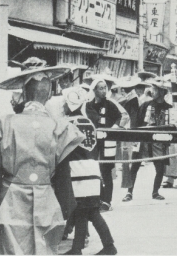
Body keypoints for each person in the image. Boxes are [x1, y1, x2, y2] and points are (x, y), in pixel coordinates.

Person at [0, 63, 85, 254]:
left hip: (11, 199)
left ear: (23, 93)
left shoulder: (3, 125)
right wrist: (65, 206)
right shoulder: (60, 128)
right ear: (48, 94)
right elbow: (63, 174)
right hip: (46, 198)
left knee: (10, 249)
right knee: (43, 248)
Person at [61, 86, 117, 255]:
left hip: (78, 172)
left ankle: (109, 246)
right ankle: (77, 248)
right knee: (84, 211)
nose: (62, 105)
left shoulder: (68, 124)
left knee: (89, 211)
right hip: (92, 170)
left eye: (64, 102)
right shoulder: (89, 123)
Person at [122, 77, 172, 202]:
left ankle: (155, 192)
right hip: (143, 139)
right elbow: (137, 122)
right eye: (153, 88)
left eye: (155, 89)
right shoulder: (145, 105)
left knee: (160, 168)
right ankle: (129, 192)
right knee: (135, 166)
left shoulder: (169, 108)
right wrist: (135, 135)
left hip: (159, 141)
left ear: (162, 92)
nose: (152, 91)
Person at [83, 76, 123, 212]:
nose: (104, 91)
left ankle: (107, 201)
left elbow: (121, 117)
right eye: (100, 88)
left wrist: (114, 129)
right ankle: (99, 198)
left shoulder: (110, 104)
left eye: (105, 88)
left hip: (107, 142)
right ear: (94, 90)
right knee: (94, 170)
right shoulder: (88, 105)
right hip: (94, 142)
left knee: (106, 171)